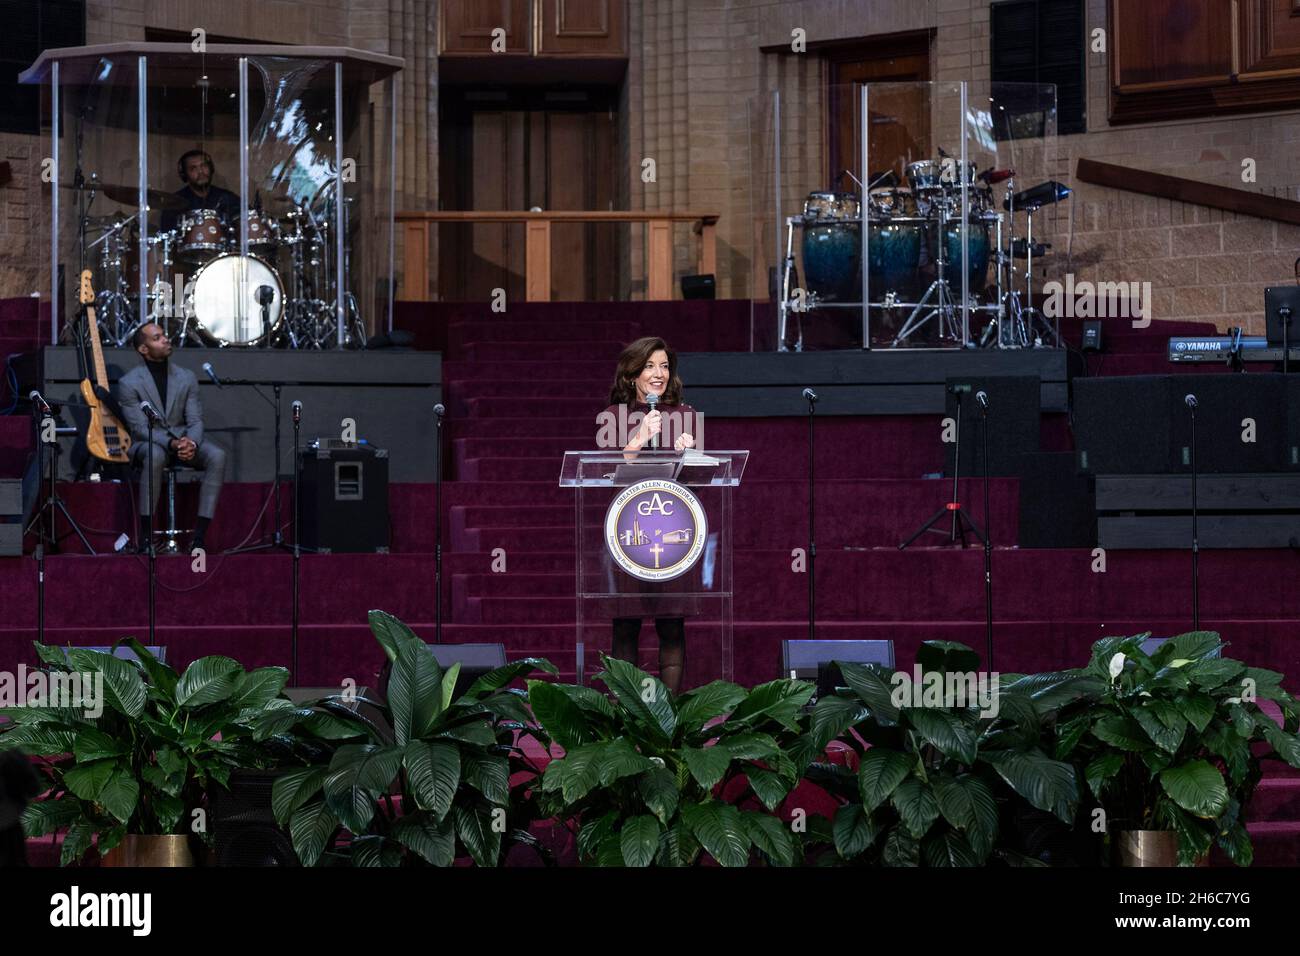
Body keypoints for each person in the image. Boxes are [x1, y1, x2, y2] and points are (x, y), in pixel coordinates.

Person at [598, 337, 698, 693]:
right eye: (650, 366)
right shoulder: (612, 417)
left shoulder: (684, 416)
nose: (659, 374)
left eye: (665, 366)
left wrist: (689, 455)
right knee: (626, 624)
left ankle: (667, 716)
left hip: (672, 531)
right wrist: (640, 435)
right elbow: (607, 469)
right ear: (632, 374)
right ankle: (625, 713)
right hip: (628, 532)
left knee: (671, 624)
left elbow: (695, 482)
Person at [117, 323, 227, 551]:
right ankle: (147, 539)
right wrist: (172, 443)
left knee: (217, 455)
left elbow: (195, 420)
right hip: (147, 444)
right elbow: (138, 428)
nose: (166, 339)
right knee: (155, 455)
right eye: (157, 338)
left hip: (183, 441)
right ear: (143, 349)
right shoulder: (129, 383)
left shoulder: (186, 377)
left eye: (164, 335)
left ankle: (198, 539)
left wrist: (191, 442)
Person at [160, 150, 241, 233]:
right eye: (193, 168)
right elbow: (167, 236)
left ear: (211, 169)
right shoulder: (173, 203)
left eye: (204, 166)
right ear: (184, 175)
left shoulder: (227, 197)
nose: (200, 172)